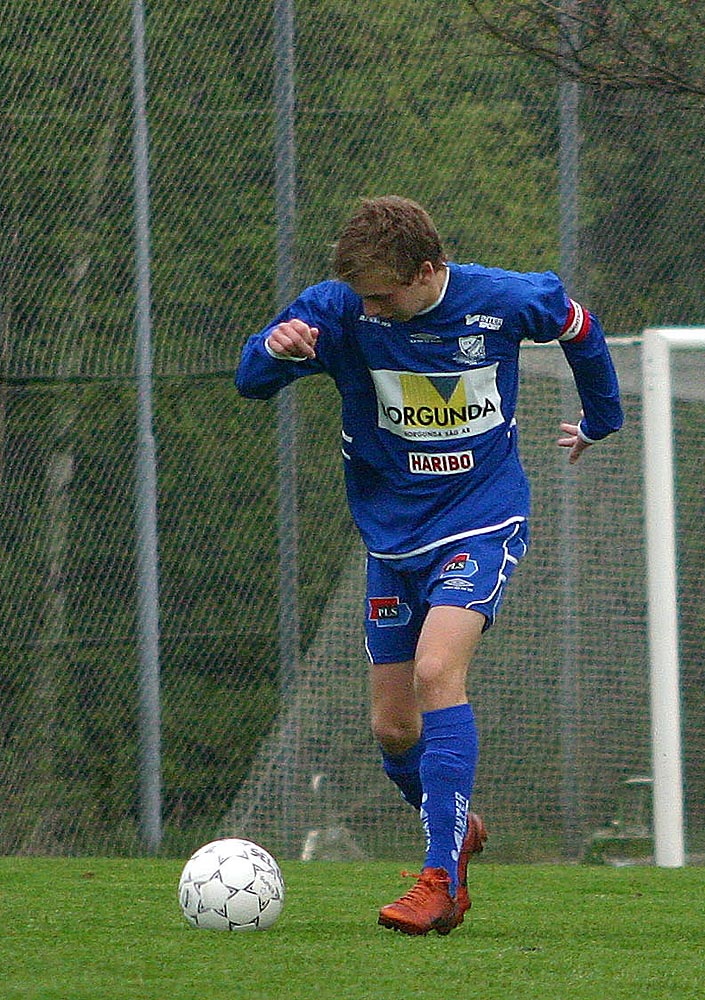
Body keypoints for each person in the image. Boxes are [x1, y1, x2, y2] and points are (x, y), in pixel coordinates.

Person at [235, 195, 623, 935]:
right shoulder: (340, 309)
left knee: (437, 672)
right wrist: (274, 353)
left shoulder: (504, 299)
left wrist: (602, 419)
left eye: (383, 295)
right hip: (390, 538)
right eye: (361, 296)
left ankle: (439, 878)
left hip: (481, 519)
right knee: (392, 730)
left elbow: (580, 326)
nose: (369, 307)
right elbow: (251, 380)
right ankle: (456, 828)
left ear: (428, 270)